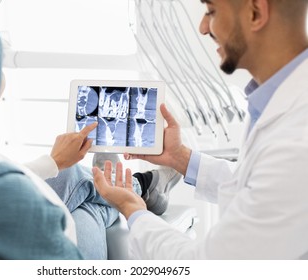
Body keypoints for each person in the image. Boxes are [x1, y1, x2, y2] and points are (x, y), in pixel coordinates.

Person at [0, 0, 180, 260]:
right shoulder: (18, 204)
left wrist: (51, 162)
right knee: (85, 200)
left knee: (72, 177)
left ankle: (135, 188)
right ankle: (139, 188)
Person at [93, 0, 308, 259]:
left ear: (256, 12)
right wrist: (181, 158)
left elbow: (206, 266)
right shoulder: (277, 100)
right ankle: (146, 186)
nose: (204, 27)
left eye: (211, 11)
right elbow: (256, 188)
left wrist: (132, 209)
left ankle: (140, 189)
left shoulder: (297, 142)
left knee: (74, 188)